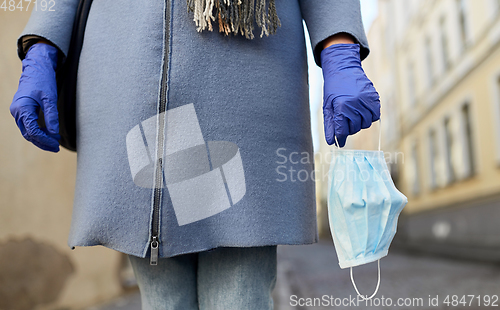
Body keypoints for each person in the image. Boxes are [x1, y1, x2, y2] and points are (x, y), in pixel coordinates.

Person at [10, 0, 380, 309]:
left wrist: (340, 48)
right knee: (163, 296)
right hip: (129, 67)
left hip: (247, 73)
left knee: (240, 295)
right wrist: (41, 48)